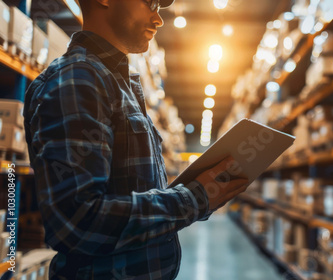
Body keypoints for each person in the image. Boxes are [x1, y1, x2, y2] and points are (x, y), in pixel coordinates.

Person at [23, 0, 249, 279]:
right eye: (150, 3)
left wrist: (198, 192)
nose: (159, 19)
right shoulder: (77, 79)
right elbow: (79, 221)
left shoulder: (115, 82)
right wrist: (193, 199)